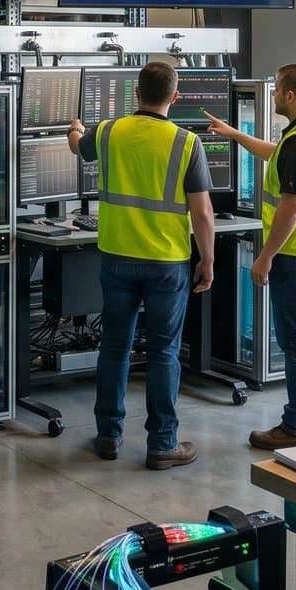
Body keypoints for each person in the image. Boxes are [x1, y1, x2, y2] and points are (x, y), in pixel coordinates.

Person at [66, 62, 215, 470]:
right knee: (165, 351)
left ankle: (109, 436)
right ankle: (162, 444)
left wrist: (75, 127)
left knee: (114, 346)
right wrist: (208, 259)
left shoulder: (110, 131)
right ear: (175, 97)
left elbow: (78, 145)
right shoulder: (186, 143)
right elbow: (202, 213)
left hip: (116, 256)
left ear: (137, 93)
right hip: (167, 262)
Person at [206, 63, 296, 450]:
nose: (272, 95)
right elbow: (277, 154)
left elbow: (291, 207)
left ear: (290, 96)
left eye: (276, 90)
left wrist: (265, 256)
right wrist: (235, 134)